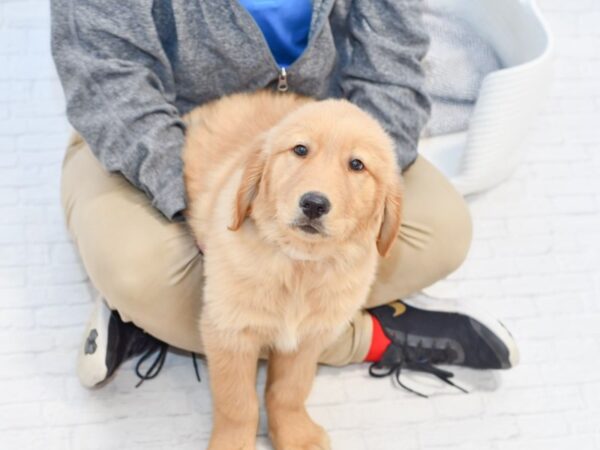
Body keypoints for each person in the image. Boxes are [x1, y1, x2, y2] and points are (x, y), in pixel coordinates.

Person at [50, 0, 518, 391]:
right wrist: (200, 204)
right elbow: (108, 81)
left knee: (443, 229)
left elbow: (391, 64)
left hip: (311, 144)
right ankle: (370, 336)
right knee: (138, 272)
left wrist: (347, 193)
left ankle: (162, 326)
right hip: (159, 143)